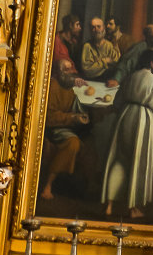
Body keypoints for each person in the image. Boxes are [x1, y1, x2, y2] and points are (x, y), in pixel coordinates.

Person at [101, 48, 153, 218]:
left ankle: (109, 205)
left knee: (119, 160)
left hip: (125, 117)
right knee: (138, 163)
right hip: (142, 119)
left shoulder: (130, 77)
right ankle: (133, 209)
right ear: (152, 63)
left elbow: (117, 102)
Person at [41, 67, 89, 199]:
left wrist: (84, 91)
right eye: (66, 70)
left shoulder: (73, 87)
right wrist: (73, 118)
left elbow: (82, 106)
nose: (71, 72)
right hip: (53, 128)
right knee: (73, 143)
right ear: (58, 73)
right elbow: (49, 117)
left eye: (71, 68)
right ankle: (48, 185)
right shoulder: (53, 86)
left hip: (71, 127)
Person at [80, 16, 120, 80]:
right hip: (91, 81)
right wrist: (105, 61)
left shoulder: (109, 45)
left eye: (99, 26)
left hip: (107, 80)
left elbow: (116, 62)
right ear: (90, 30)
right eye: (93, 27)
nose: (96, 30)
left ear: (103, 28)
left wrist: (97, 65)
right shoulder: (87, 46)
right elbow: (87, 69)